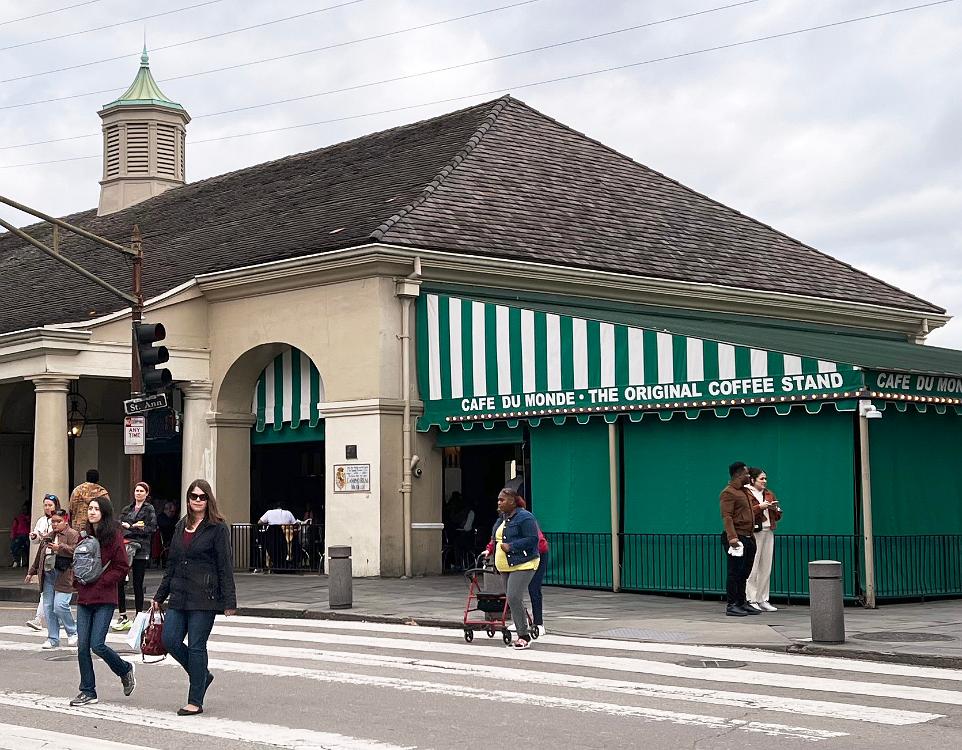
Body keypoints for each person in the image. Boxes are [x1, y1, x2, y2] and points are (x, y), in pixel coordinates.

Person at [152, 479, 237, 716]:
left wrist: (229, 601)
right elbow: (172, 564)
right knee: (170, 640)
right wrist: (160, 595)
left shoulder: (217, 527)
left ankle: (195, 700)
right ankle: (202, 676)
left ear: (208, 499)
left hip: (204, 597)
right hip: (179, 595)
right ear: (188, 499)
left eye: (202, 497)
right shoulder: (181, 526)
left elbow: (225, 566)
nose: (197, 500)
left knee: (197, 647)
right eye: (193, 496)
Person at [70, 497, 136, 707]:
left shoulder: (113, 536)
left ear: (104, 512)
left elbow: (121, 566)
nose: (92, 512)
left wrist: (101, 583)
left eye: (96, 509)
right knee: (82, 647)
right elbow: (78, 563)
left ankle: (124, 669)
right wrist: (76, 581)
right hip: (84, 598)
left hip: (105, 598)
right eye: (90, 508)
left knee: (97, 644)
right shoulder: (84, 536)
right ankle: (88, 690)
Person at [484, 488, 540, 649]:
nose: (499, 503)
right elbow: (495, 538)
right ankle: (524, 624)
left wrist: (512, 546)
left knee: (514, 597)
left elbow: (533, 539)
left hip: (524, 563)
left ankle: (524, 636)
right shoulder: (502, 518)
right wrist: (489, 549)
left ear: (512, 501)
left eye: (502, 500)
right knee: (512, 597)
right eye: (498, 500)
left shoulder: (525, 517)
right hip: (505, 565)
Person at [25, 509, 79, 649]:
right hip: (48, 575)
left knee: (60, 606)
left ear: (65, 521)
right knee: (48, 607)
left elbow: (76, 551)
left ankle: (72, 632)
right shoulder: (49, 536)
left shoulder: (72, 534)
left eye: (58, 521)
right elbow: (39, 555)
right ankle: (53, 638)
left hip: (64, 575)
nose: (55, 524)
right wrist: (32, 571)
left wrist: (59, 548)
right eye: (53, 521)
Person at [112, 481, 158, 631]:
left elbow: (151, 527)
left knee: (138, 582)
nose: (138, 493)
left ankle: (139, 615)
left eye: (141, 491)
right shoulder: (128, 508)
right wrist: (133, 527)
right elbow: (119, 524)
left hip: (141, 549)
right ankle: (123, 615)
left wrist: (132, 527)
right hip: (126, 547)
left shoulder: (149, 508)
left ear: (146, 493)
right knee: (120, 581)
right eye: (136, 491)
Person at [720, 461, 760, 617]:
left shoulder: (745, 492)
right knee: (734, 572)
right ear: (737, 474)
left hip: (749, 537)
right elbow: (727, 516)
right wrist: (732, 538)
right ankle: (732, 604)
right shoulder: (728, 493)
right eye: (746, 473)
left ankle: (742, 602)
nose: (749, 476)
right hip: (738, 537)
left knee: (744, 572)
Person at [745, 467, 783, 613]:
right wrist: (759, 507)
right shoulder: (747, 493)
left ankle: (763, 599)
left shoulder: (768, 493)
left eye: (765, 478)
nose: (764, 481)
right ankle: (751, 599)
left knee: (766, 567)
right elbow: (745, 512)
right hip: (755, 532)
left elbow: (778, 515)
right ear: (753, 480)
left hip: (768, 531)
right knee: (753, 566)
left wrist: (775, 509)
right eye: (761, 479)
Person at [25, 493, 60, 631]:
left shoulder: (60, 519)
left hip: (57, 558)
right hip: (45, 559)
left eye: (50, 505)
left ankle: (58, 618)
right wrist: (34, 536)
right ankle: (39, 619)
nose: (47, 507)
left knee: (58, 592)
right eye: (45, 505)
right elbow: (36, 540)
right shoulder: (41, 521)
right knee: (46, 591)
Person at [9, 503, 31, 568]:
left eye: (26, 509)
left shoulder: (30, 517)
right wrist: (13, 536)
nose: (24, 511)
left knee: (27, 548)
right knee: (13, 547)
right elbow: (14, 527)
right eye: (23, 509)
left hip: (28, 535)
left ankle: (28, 562)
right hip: (19, 535)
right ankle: (16, 561)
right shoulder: (18, 518)